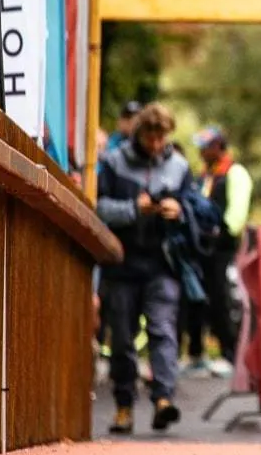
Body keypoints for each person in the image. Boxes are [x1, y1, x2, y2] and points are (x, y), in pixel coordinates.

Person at [94, 102, 192, 434]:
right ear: (140, 133)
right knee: (122, 338)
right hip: (121, 263)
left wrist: (177, 209)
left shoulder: (179, 165)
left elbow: (194, 206)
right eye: (151, 137)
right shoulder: (113, 162)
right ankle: (124, 407)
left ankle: (163, 399)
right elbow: (99, 207)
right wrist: (133, 209)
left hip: (162, 263)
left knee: (162, 330)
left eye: (161, 138)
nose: (155, 145)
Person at [182, 125, 251, 378]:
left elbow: (237, 211)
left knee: (219, 298)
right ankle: (197, 352)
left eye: (205, 146)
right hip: (200, 245)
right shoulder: (204, 175)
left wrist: (224, 232)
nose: (201, 151)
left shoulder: (235, 172)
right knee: (195, 299)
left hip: (221, 247)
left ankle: (230, 353)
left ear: (218, 146)